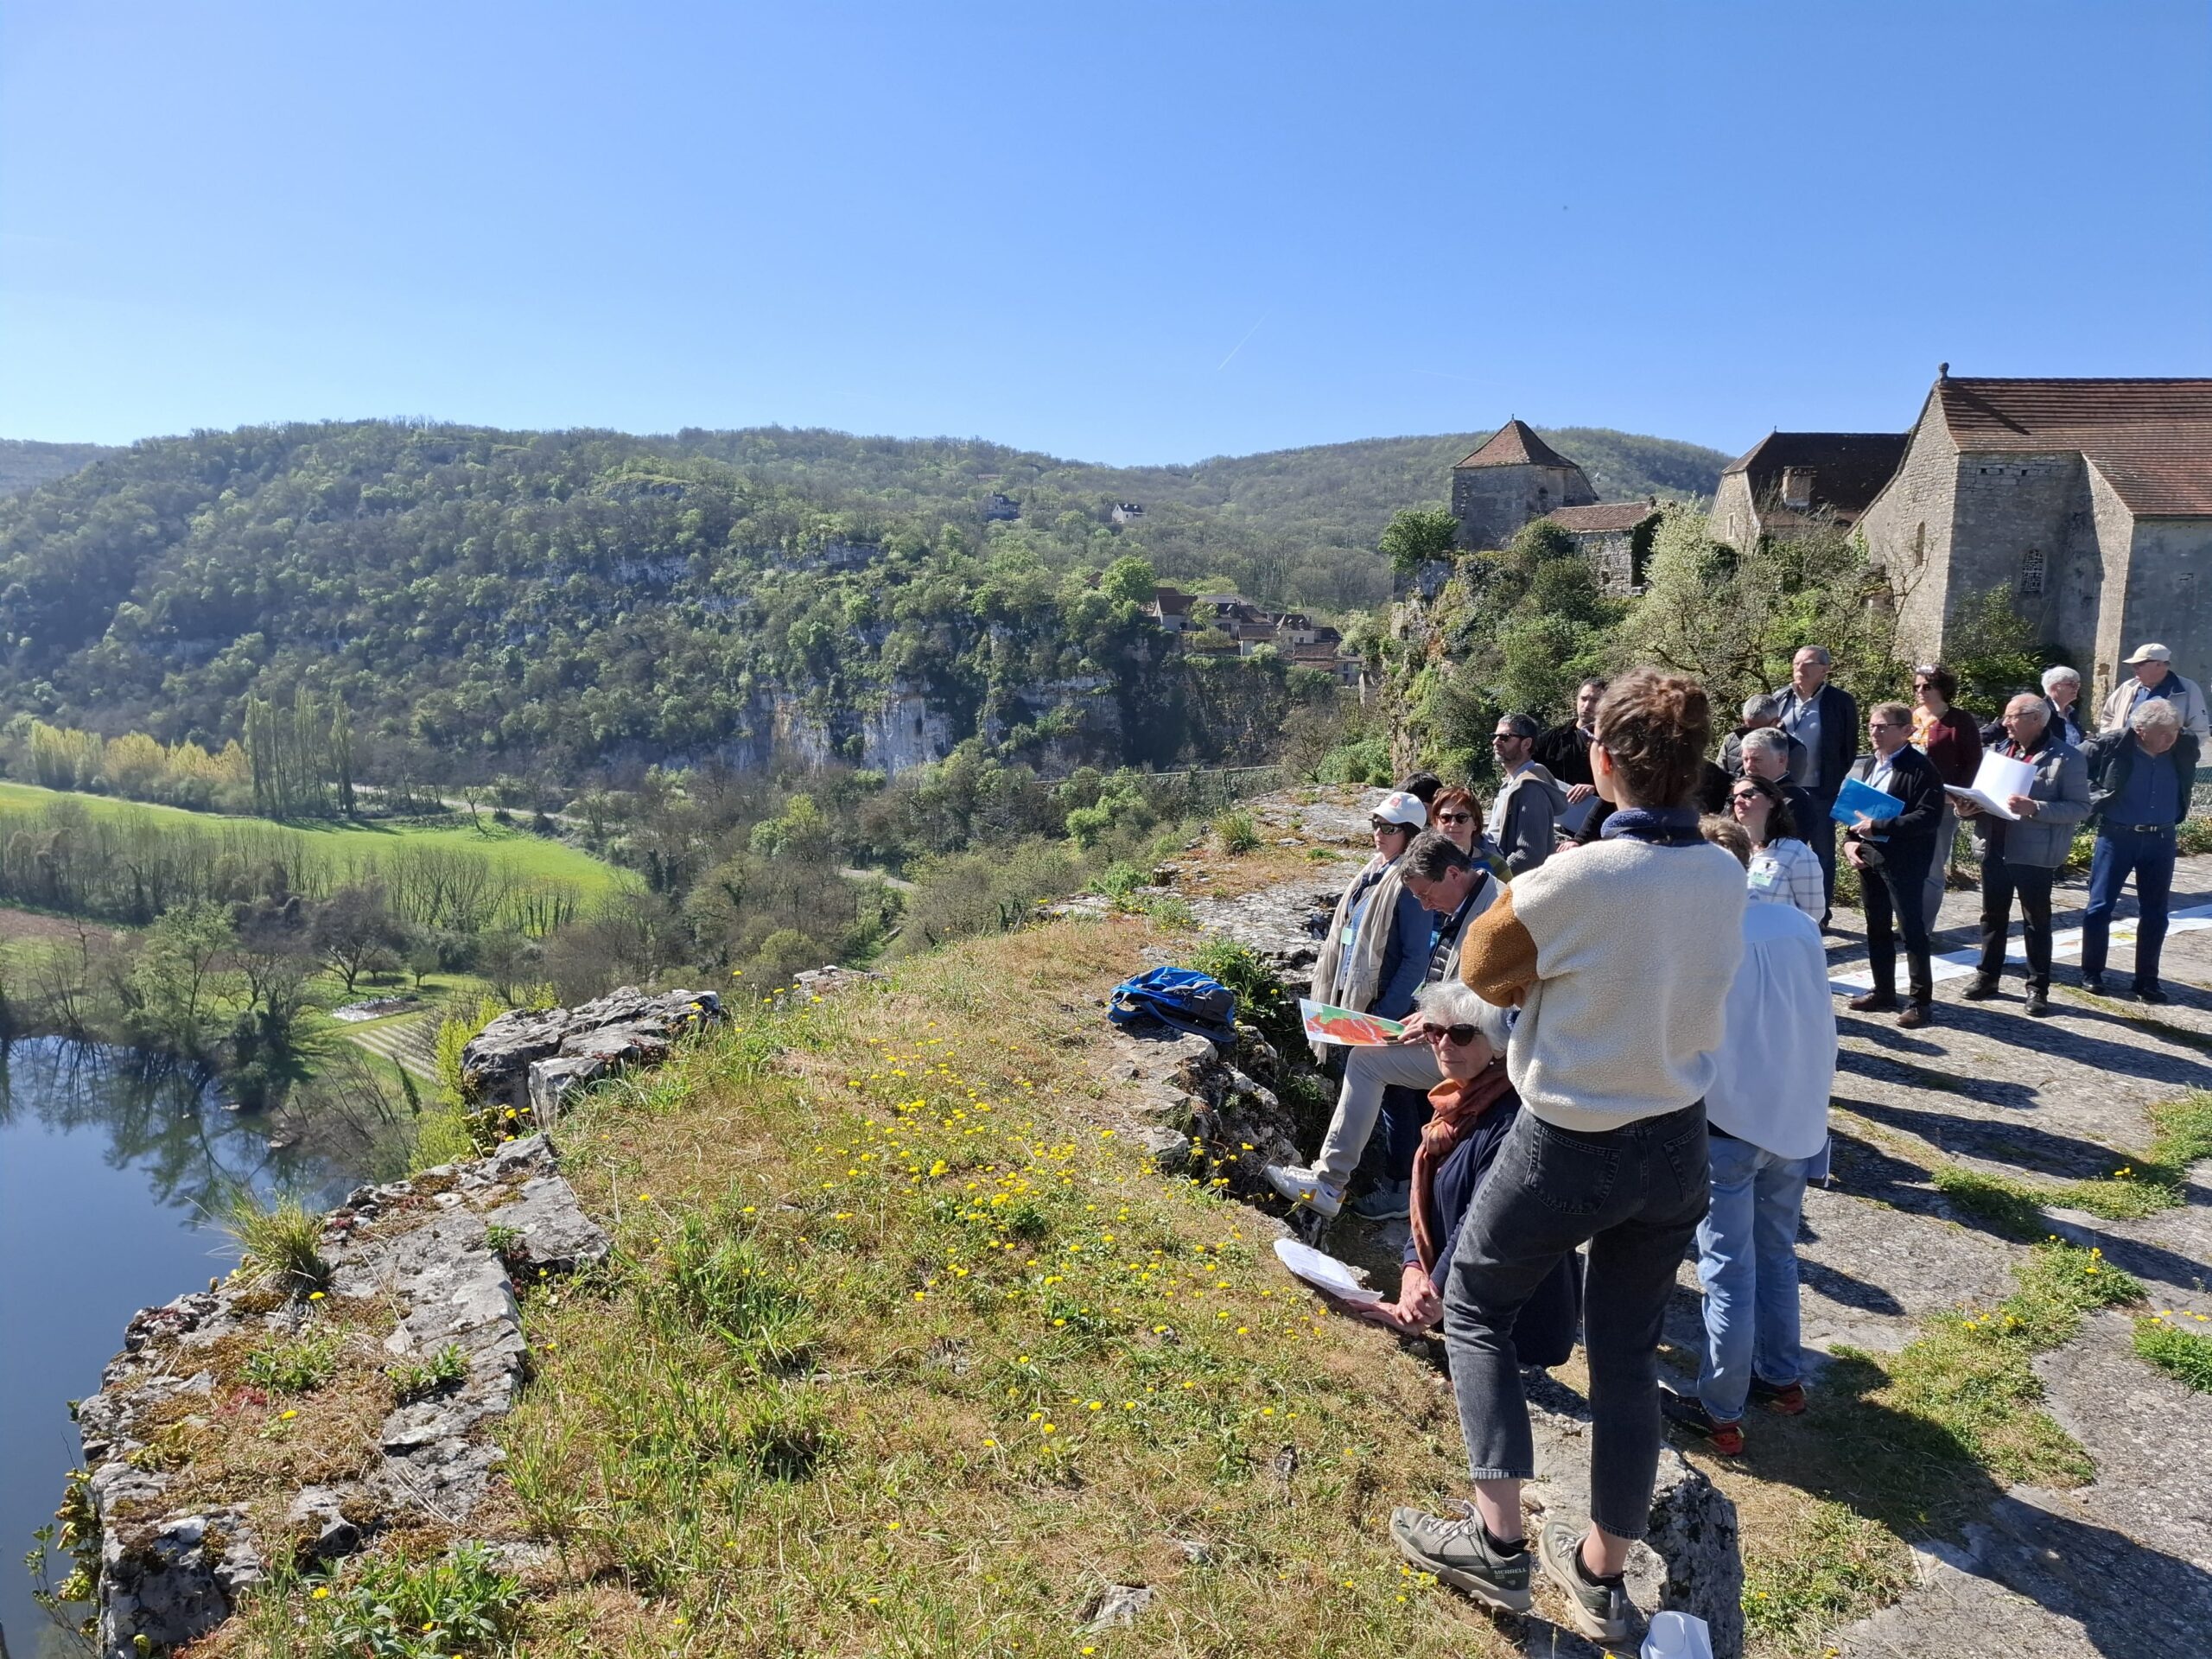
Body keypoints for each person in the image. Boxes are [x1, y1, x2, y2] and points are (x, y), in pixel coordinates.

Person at [1389, 669, 1745, 1646]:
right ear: (1697, 768)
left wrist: (1557, 882)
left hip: (1571, 1138)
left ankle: (1496, 1541)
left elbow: (1480, 968)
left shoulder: (1573, 880)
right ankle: (1600, 1572)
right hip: (1678, 1137)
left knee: (1475, 1304)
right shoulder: (1724, 872)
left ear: (1602, 759)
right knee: (1625, 1354)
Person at [1659, 817, 1837, 1456]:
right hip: (1793, 1112)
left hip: (1728, 1121)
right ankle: (1782, 1378)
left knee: (1728, 1268)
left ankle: (1721, 1408)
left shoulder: (1702, 937)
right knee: (1778, 1253)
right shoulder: (1796, 925)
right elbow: (1818, 1017)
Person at [1267, 831, 1501, 1218]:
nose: (1425, 905)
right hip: (1452, 1032)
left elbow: (1501, 998)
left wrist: (1436, 1018)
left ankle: (1329, 1184)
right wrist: (1426, 1015)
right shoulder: (1470, 901)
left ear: (1453, 873)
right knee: (1369, 1055)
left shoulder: (1495, 912)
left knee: (1366, 1062)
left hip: (1482, 1047)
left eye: (1426, 894)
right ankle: (1341, 1181)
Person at [1347, 981, 1580, 1369]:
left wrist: (1430, 1295)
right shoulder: (1457, 1102)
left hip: (1510, 1322)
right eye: (1434, 1031)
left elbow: (1480, 1221)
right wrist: (1413, 1270)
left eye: (1461, 1034)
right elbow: (1429, 1202)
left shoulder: (1510, 1120)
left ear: (1499, 1044)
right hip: (1468, 1302)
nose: (1443, 1044)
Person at [1956, 695, 2088, 1016]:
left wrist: (2035, 808)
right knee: (1992, 916)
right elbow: (1985, 797)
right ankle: (1987, 977)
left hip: (2034, 852)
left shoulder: (2067, 758)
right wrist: (1966, 809)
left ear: (2035, 719)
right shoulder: (1999, 751)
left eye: (2012, 716)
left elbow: (2080, 808)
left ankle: (2037, 987)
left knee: (2036, 921)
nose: (2004, 723)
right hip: (1994, 846)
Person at [2081, 699, 2198, 1001]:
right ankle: (2092, 972)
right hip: (2117, 836)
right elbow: (2073, 766)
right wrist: (2095, 796)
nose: (2170, 738)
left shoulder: (2183, 745)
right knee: (2100, 907)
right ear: (2140, 730)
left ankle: (2147, 980)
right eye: (2163, 733)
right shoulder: (2113, 744)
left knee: (2156, 912)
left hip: (2162, 838)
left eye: (2174, 731)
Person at [1842, 702, 1945, 1028]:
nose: (1874, 732)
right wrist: (1849, 840)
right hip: (1869, 853)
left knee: (1911, 929)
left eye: (1882, 727)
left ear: (1906, 731)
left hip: (1905, 858)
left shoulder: (1921, 768)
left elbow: (1928, 817)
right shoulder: (1869, 763)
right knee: (1876, 925)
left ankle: (1920, 1002)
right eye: (1871, 726)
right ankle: (1883, 990)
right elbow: (1856, 810)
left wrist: (1879, 826)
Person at [1773, 645, 1859, 927]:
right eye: (1796, 662)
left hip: (1821, 791)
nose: (1800, 668)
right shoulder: (1780, 698)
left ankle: (1820, 916)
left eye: (1808, 663)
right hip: (1785, 791)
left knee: (1823, 855)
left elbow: (1849, 748)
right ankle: (1788, 911)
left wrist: (1833, 779)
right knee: (1785, 851)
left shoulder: (1840, 702)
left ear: (1824, 669)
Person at [1910, 664, 1982, 931]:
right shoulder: (1908, 717)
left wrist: (1956, 795)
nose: (1920, 691)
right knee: (1904, 865)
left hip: (1941, 804)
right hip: (1904, 803)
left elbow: (1973, 762)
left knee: (1932, 867)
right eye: (1916, 686)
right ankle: (1904, 920)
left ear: (1943, 688)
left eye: (1927, 686)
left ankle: (1921, 928)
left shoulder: (1959, 720)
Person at [1730, 773, 1824, 921]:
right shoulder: (1728, 849)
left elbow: (1813, 914)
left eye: (1747, 794)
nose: (1738, 801)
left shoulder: (1797, 853)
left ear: (1772, 801)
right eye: (1734, 797)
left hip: (1776, 934)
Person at [1490, 714, 1568, 874]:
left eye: (1504, 737)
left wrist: (1491, 877)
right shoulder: (1510, 783)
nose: (1495, 742)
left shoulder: (1531, 789)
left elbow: (1530, 855)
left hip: (1519, 885)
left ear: (1526, 744)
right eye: (1495, 736)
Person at [1535, 677, 1607, 833]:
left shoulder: (1613, 741)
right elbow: (1525, 767)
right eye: (1583, 699)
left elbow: (1625, 783)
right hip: (1553, 826)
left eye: (1595, 701)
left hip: (1597, 826)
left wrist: (1596, 788)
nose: (1587, 705)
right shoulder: (1553, 738)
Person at [2099, 643, 2209, 740]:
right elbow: (2108, 716)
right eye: (2133, 665)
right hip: (2122, 752)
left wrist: (2180, 752)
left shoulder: (2187, 689)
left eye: (2139, 665)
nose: (2134, 669)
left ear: (2159, 665)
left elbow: (2199, 730)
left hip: (2165, 755)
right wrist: (2109, 741)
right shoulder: (2128, 687)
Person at [1739, 727, 1820, 837]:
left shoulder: (1797, 801)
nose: (1749, 766)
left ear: (1781, 759)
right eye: (1745, 759)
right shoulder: (1739, 794)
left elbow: (1785, 843)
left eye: (1757, 760)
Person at [1720, 694, 1808, 784]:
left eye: (1760, 730)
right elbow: (1718, 779)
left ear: (1776, 722)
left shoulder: (1794, 750)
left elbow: (1790, 788)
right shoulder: (1732, 740)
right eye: (1748, 729)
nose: (1752, 734)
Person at [1429, 786, 1509, 880]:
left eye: (1462, 817)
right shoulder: (1426, 864)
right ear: (1436, 822)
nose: (1453, 824)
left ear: (1475, 823)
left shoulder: (1496, 865)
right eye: (1445, 817)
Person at [2042, 665, 2088, 749]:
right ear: (2054, 687)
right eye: (2072, 684)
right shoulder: (2042, 711)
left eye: (2078, 684)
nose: (2076, 688)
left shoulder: (2071, 712)